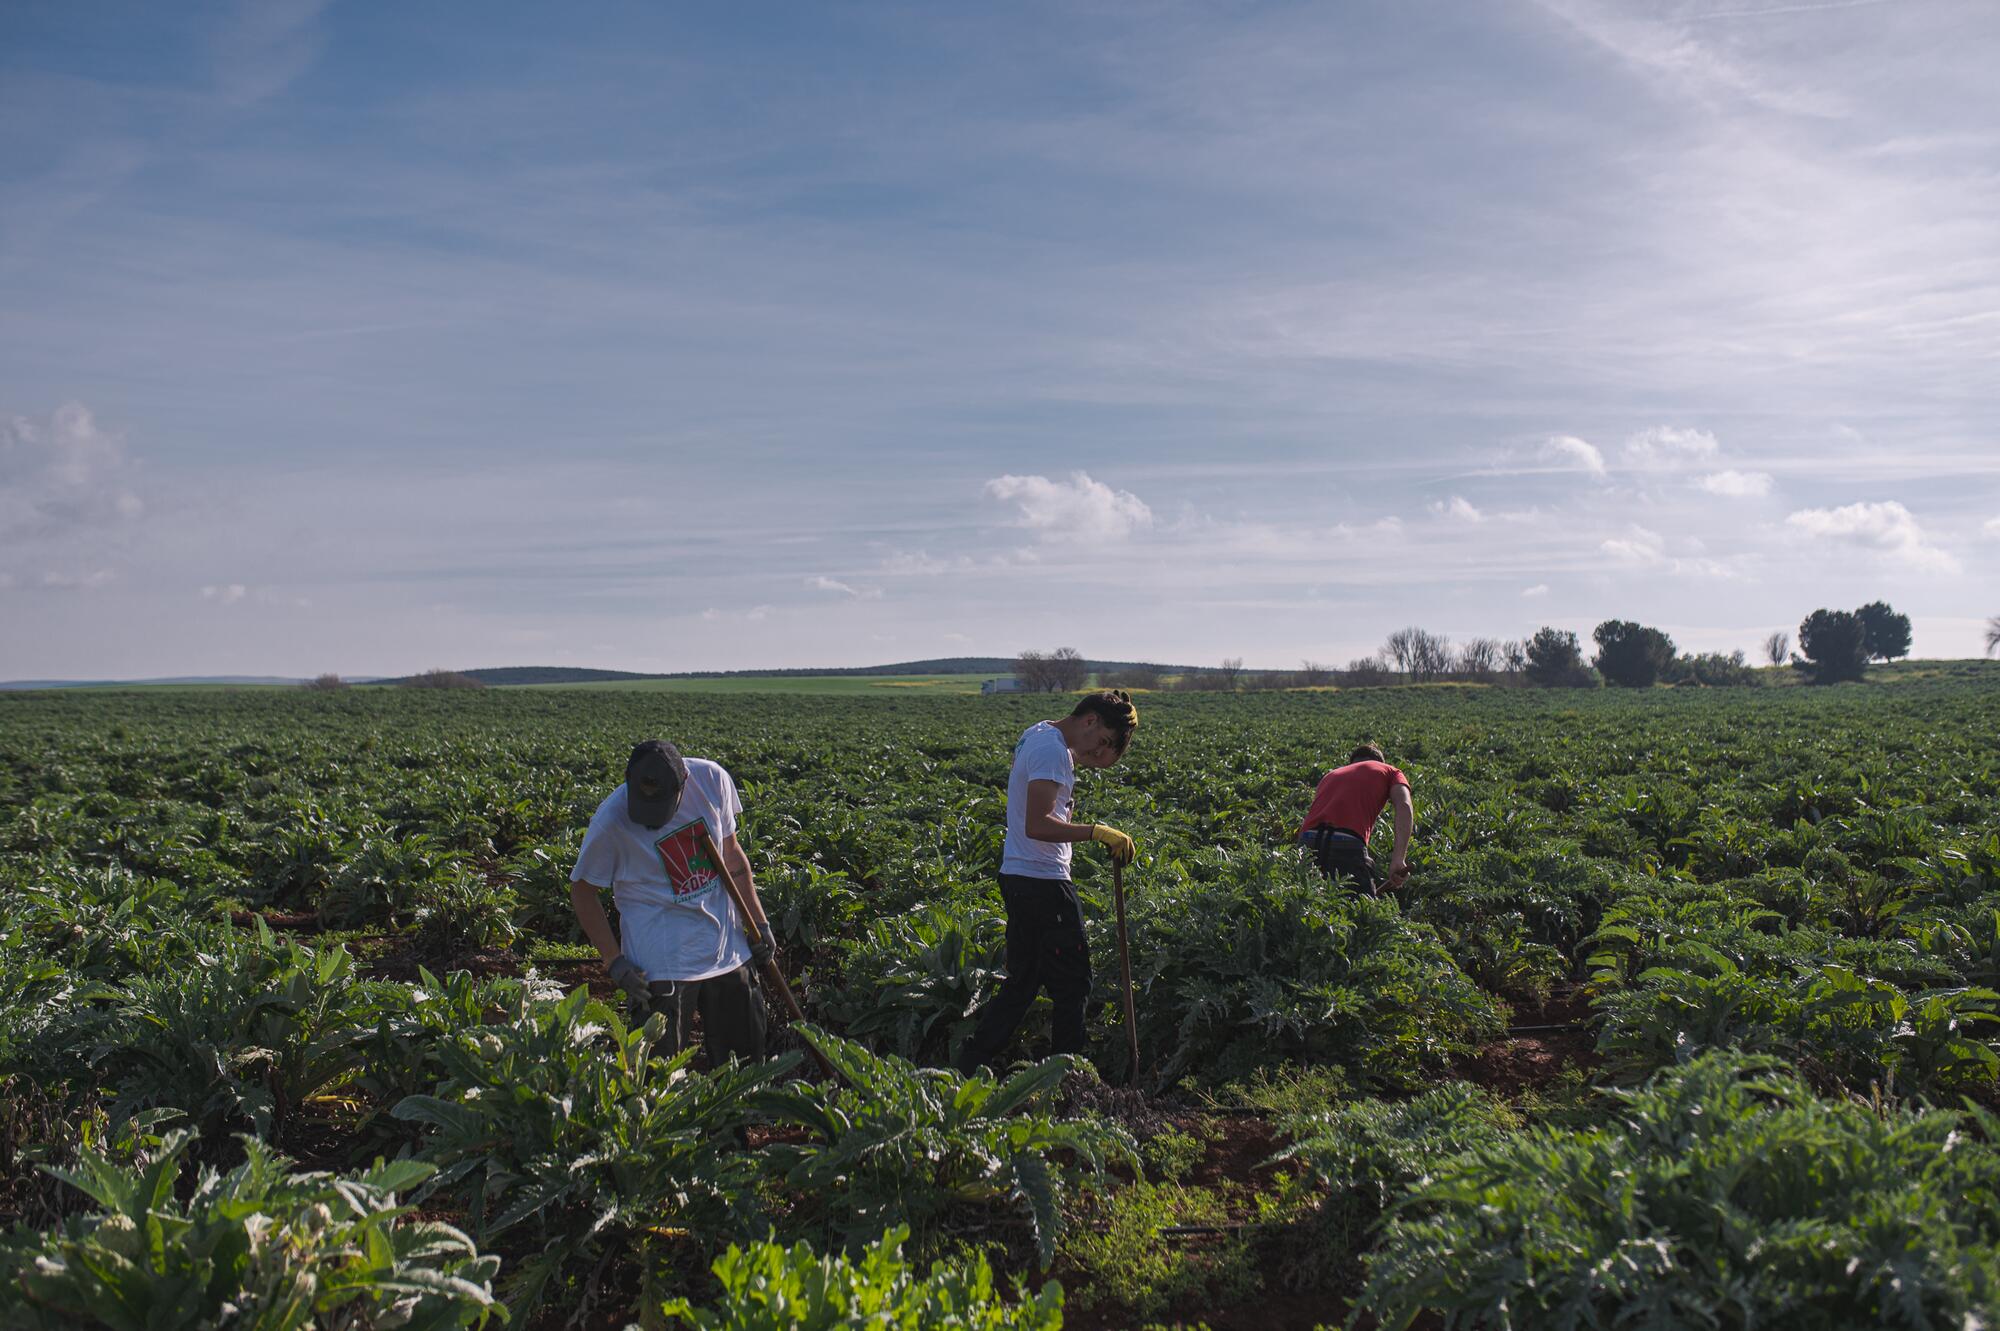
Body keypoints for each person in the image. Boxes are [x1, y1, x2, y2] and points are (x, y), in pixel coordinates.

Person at [955, 690, 1140, 1074]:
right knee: (1073, 983)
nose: (1096, 755)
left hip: (1021, 876)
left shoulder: (1040, 734)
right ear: (1089, 720)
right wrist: (1096, 832)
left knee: (1022, 982)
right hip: (1042, 881)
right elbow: (1038, 824)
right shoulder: (1052, 750)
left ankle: (969, 1067)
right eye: (1102, 742)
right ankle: (1065, 1078)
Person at [569, 738, 774, 1065]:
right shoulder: (610, 822)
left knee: (745, 1063)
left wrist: (759, 923)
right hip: (659, 960)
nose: (650, 820)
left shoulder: (712, 780)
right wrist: (614, 961)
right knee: (658, 1073)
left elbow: (733, 859)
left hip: (726, 947)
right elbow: (582, 891)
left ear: (684, 785)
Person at [1297, 743, 1412, 894]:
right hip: (1347, 842)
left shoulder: (1331, 775)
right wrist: (1398, 859)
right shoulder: (1391, 771)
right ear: (1379, 762)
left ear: (1352, 763)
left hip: (1307, 841)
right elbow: (1404, 805)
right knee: (1363, 912)